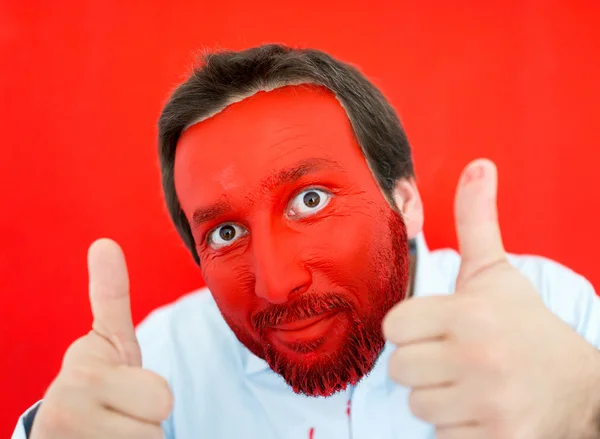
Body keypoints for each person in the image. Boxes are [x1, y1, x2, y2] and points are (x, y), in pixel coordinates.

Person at [12, 44, 600, 439]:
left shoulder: (552, 313)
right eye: (225, 232)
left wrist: (587, 409)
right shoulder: (155, 367)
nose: (276, 284)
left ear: (407, 203)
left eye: (310, 200)